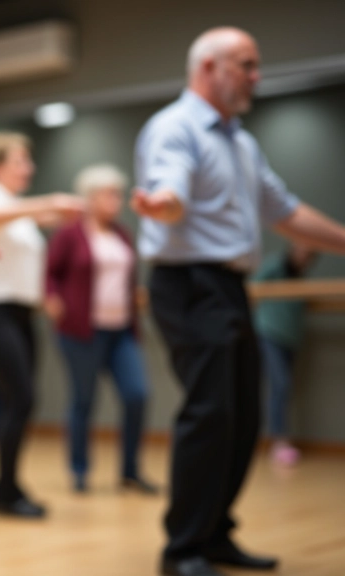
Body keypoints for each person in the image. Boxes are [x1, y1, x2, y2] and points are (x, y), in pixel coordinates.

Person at [132, 27, 345, 576]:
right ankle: (181, 550)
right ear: (208, 68)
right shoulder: (175, 129)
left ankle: (214, 532)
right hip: (187, 285)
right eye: (246, 65)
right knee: (210, 412)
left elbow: (287, 212)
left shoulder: (241, 143)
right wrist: (162, 203)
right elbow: (170, 189)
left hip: (227, 288)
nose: (256, 76)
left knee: (243, 416)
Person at [0, 132, 85, 518]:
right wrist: (48, 204)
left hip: (20, 312)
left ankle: (9, 485)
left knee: (18, 400)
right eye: (20, 161)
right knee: (21, 397)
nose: (28, 168)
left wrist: (60, 214)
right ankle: (6, 491)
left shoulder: (18, 208)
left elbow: (28, 226)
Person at [44, 164, 156, 494]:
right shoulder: (69, 233)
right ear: (90, 198)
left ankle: (130, 471)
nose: (117, 200)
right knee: (84, 399)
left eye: (119, 194)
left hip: (121, 330)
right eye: (110, 194)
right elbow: (51, 272)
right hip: (80, 330)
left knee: (137, 394)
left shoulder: (122, 234)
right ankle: (80, 471)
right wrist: (52, 298)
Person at [253, 243, 317, 466]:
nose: (304, 256)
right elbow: (252, 289)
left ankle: (278, 438)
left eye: (309, 254)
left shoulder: (300, 277)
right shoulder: (275, 266)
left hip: (290, 339)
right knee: (280, 384)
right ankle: (279, 440)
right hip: (269, 333)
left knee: (283, 388)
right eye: (303, 250)